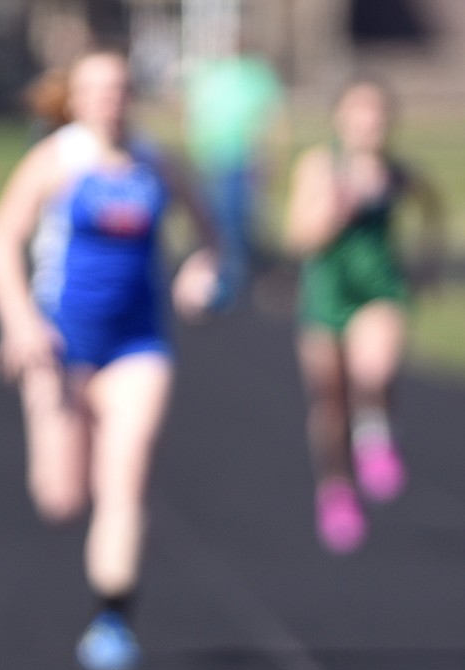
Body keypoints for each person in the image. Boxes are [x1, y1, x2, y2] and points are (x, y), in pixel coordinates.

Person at [0, 50, 219, 670]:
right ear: (77, 99)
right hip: (59, 347)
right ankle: (104, 585)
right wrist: (20, 320)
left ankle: (113, 618)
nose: (110, 100)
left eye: (120, 89)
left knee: (126, 476)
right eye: (97, 90)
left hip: (137, 344)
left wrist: (202, 267)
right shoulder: (55, 161)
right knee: (61, 497)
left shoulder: (156, 161)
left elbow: (211, 232)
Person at [283, 76, 442, 555]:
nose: (369, 123)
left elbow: (431, 204)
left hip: (380, 291)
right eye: (359, 113)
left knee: (375, 370)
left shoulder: (395, 173)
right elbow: (297, 237)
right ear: (341, 119)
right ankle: (336, 488)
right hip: (327, 297)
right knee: (331, 402)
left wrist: (427, 262)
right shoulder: (320, 166)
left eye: (377, 114)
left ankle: (375, 438)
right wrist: (335, 209)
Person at [182, 41, 285, 312]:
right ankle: (219, 279)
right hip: (210, 161)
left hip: (241, 161)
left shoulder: (256, 75)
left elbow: (269, 118)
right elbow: (194, 112)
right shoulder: (209, 73)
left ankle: (230, 289)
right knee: (211, 222)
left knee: (234, 224)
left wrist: (268, 155)